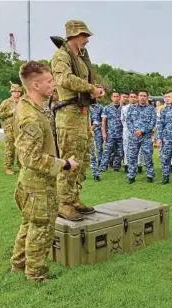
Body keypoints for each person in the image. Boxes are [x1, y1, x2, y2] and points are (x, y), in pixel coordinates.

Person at [10, 61, 79, 282]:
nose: (53, 84)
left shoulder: (33, 106)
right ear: (36, 85)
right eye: (49, 81)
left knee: (29, 224)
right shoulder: (30, 116)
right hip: (37, 185)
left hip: (33, 183)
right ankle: (36, 274)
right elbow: (30, 157)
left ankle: (18, 264)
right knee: (41, 228)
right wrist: (65, 165)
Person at [51, 20, 105, 221]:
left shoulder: (80, 58)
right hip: (69, 115)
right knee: (70, 160)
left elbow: (85, 81)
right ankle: (63, 203)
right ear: (73, 35)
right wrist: (91, 88)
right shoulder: (61, 56)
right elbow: (64, 79)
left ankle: (73, 198)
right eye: (84, 35)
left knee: (82, 160)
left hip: (82, 114)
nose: (87, 40)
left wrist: (96, 89)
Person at [126, 90, 156, 184]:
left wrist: (142, 131)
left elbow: (153, 122)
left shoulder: (151, 109)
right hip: (134, 137)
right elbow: (128, 121)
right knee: (132, 157)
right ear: (137, 97)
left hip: (146, 137)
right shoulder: (131, 108)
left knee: (148, 156)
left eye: (144, 96)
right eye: (140, 95)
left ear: (147, 97)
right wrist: (134, 131)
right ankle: (131, 176)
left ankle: (150, 175)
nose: (142, 97)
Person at [0, 81, 22, 175]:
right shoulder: (6, 102)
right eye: (15, 91)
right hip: (10, 130)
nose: (17, 93)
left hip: (21, 129)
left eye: (18, 91)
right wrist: (11, 112)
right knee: (10, 149)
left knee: (21, 149)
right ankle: (8, 167)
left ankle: (21, 166)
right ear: (11, 92)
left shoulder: (23, 101)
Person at [157, 90, 172, 184]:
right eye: (166, 97)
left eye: (169, 97)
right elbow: (160, 124)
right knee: (165, 158)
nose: (167, 99)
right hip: (166, 139)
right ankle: (165, 177)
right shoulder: (165, 110)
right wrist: (158, 138)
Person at [100, 91, 123, 172]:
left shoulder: (123, 108)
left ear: (120, 97)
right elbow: (103, 121)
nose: (116, 98)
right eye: (114, 96)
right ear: (111, 98)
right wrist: (104, 133)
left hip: (121, 134)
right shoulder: (106, 108)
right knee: (107, 151)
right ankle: (103, 167)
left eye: (117, 96)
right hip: (110, 134)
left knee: (120, 152)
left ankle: (116, 167)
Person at [89, 98, 103, 181]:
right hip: (79, 134)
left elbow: (96, 121)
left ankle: (95, 173)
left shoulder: (99, 107)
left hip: (93, 131)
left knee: (93, 152)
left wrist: (91, 129)